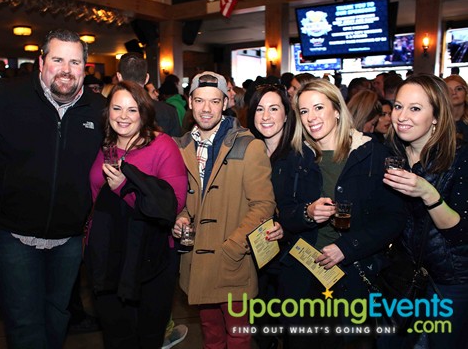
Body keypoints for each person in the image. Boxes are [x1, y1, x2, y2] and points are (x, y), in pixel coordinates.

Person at [0, 29, 104, 349]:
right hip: (12, 235)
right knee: (23, 322)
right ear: (41, 62)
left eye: (75, 62)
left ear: (84, 67)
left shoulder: (99, 109)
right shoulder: (5, 98)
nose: (66, 69)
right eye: (58, 59)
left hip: (69, 237)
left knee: (58, 315)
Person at [275, 79, 405, 348]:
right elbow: (285, 214)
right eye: (304, 111)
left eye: (318, 107)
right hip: (304, 275)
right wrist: (307, 213)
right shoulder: (296, 157)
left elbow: (394, 218)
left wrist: (347, 247)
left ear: (337, 110)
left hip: (353, 275)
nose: (311, 118)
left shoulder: (372, 154)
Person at [172, 71, 277, 349]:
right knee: (211, 334)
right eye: (200, 101)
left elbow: (264, 205)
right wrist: (181, 216)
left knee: (239, 336)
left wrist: (235, 246)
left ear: (226, 102)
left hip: (233, 260)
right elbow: (180, 198)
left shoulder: (248, 145)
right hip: (197, 261)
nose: (206, 109)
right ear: (190, 102)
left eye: (214, 101)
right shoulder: (180, 147)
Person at [86, 81, 187, 348]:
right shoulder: (104, 145)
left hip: (149, 257)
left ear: (144, 112)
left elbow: (173, 204)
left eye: (132, 110)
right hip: (107, 255)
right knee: (116, 336)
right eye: (116, 108)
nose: (123, 116)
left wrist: (124, 188)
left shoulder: (162, 146)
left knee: (147, 338)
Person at [382, 73, 468, 349]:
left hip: (449, 281)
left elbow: (460, 233)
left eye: (415, 108)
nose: (402, 116)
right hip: (402, 278)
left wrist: (428, 194)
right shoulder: (391, 155)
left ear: (435, 116)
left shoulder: (460, 158)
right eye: (398, 106)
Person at [252, 84, 295, 349]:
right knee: (260, 328)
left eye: (274, 108)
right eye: (259, 108)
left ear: (286, 115)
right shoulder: (248, 151)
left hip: (289, 257)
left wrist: (286, 225)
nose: (266, 116)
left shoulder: (298, 155)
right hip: (256, 255)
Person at [116, 52, 181, 137]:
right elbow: (176, 145)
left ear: (119, 77)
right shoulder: (168, 111)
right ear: (147, 78)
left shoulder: (111, 111)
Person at [444, 74, 468, 141]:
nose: (454, 92)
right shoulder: (437, 121)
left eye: (459, 89)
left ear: (466, 92)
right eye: (449, 90)